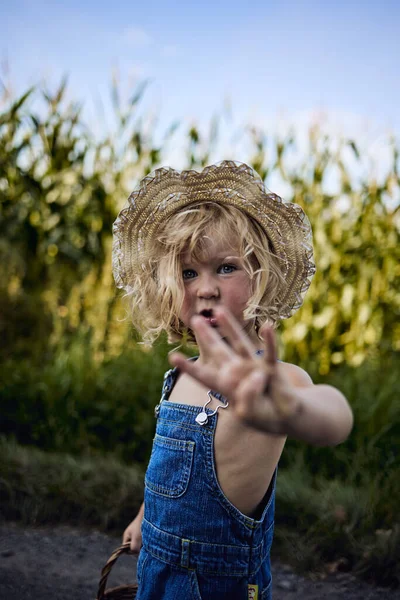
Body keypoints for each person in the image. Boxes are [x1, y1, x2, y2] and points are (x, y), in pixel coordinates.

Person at [112, 160, 353, 600]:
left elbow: (334, 415)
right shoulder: (180, 378)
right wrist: (145, 518)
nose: (205, 287)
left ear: (262, 276)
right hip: (156, 577)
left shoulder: (272, 379)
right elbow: (168, 474)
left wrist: (293, 409)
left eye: (226, 267)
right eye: (188, 272)